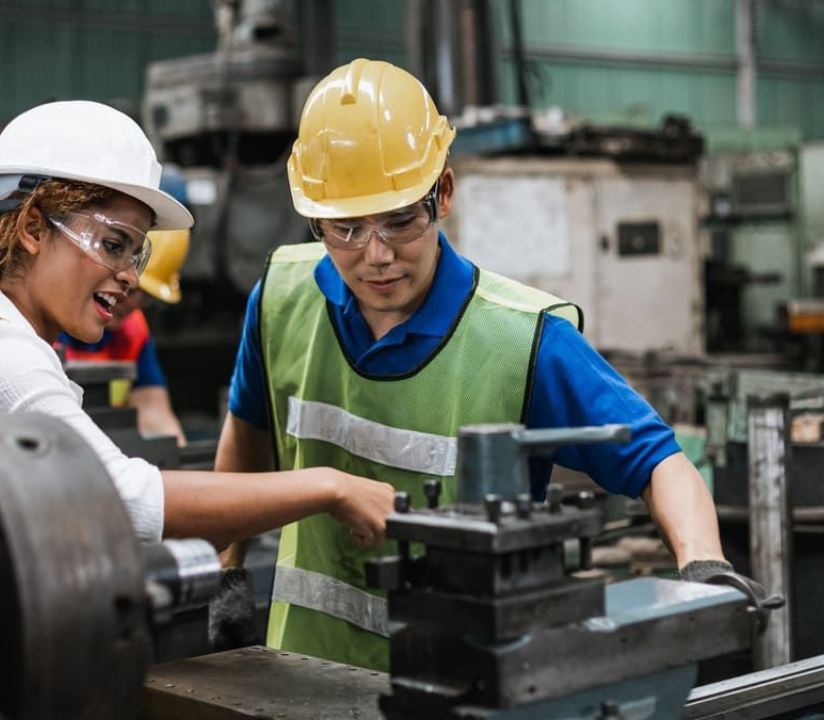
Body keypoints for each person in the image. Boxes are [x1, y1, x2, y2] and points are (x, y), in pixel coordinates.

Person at [215, 59, 733, 671]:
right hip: (300, 672)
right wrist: (227, 571)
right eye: (346, 228)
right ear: (315, 220)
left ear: (445, 195)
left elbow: (659, 462)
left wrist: (704, 570)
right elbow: (246, 432)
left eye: (401, 220)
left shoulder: (524, 340)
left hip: (461, 689)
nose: (376, 256)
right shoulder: (281, 295)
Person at [0, 100, 395, 551]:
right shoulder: (3, 355)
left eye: (135, 252)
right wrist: (330, 488)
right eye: (112, 244)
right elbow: (124, 499)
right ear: (34, 228)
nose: (128, 277)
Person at [60, 229, 189, 446]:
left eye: (146, 296)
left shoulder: (133, 330)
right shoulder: (44, 323)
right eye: (129, 289)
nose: (131, 302)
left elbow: (155, 416)